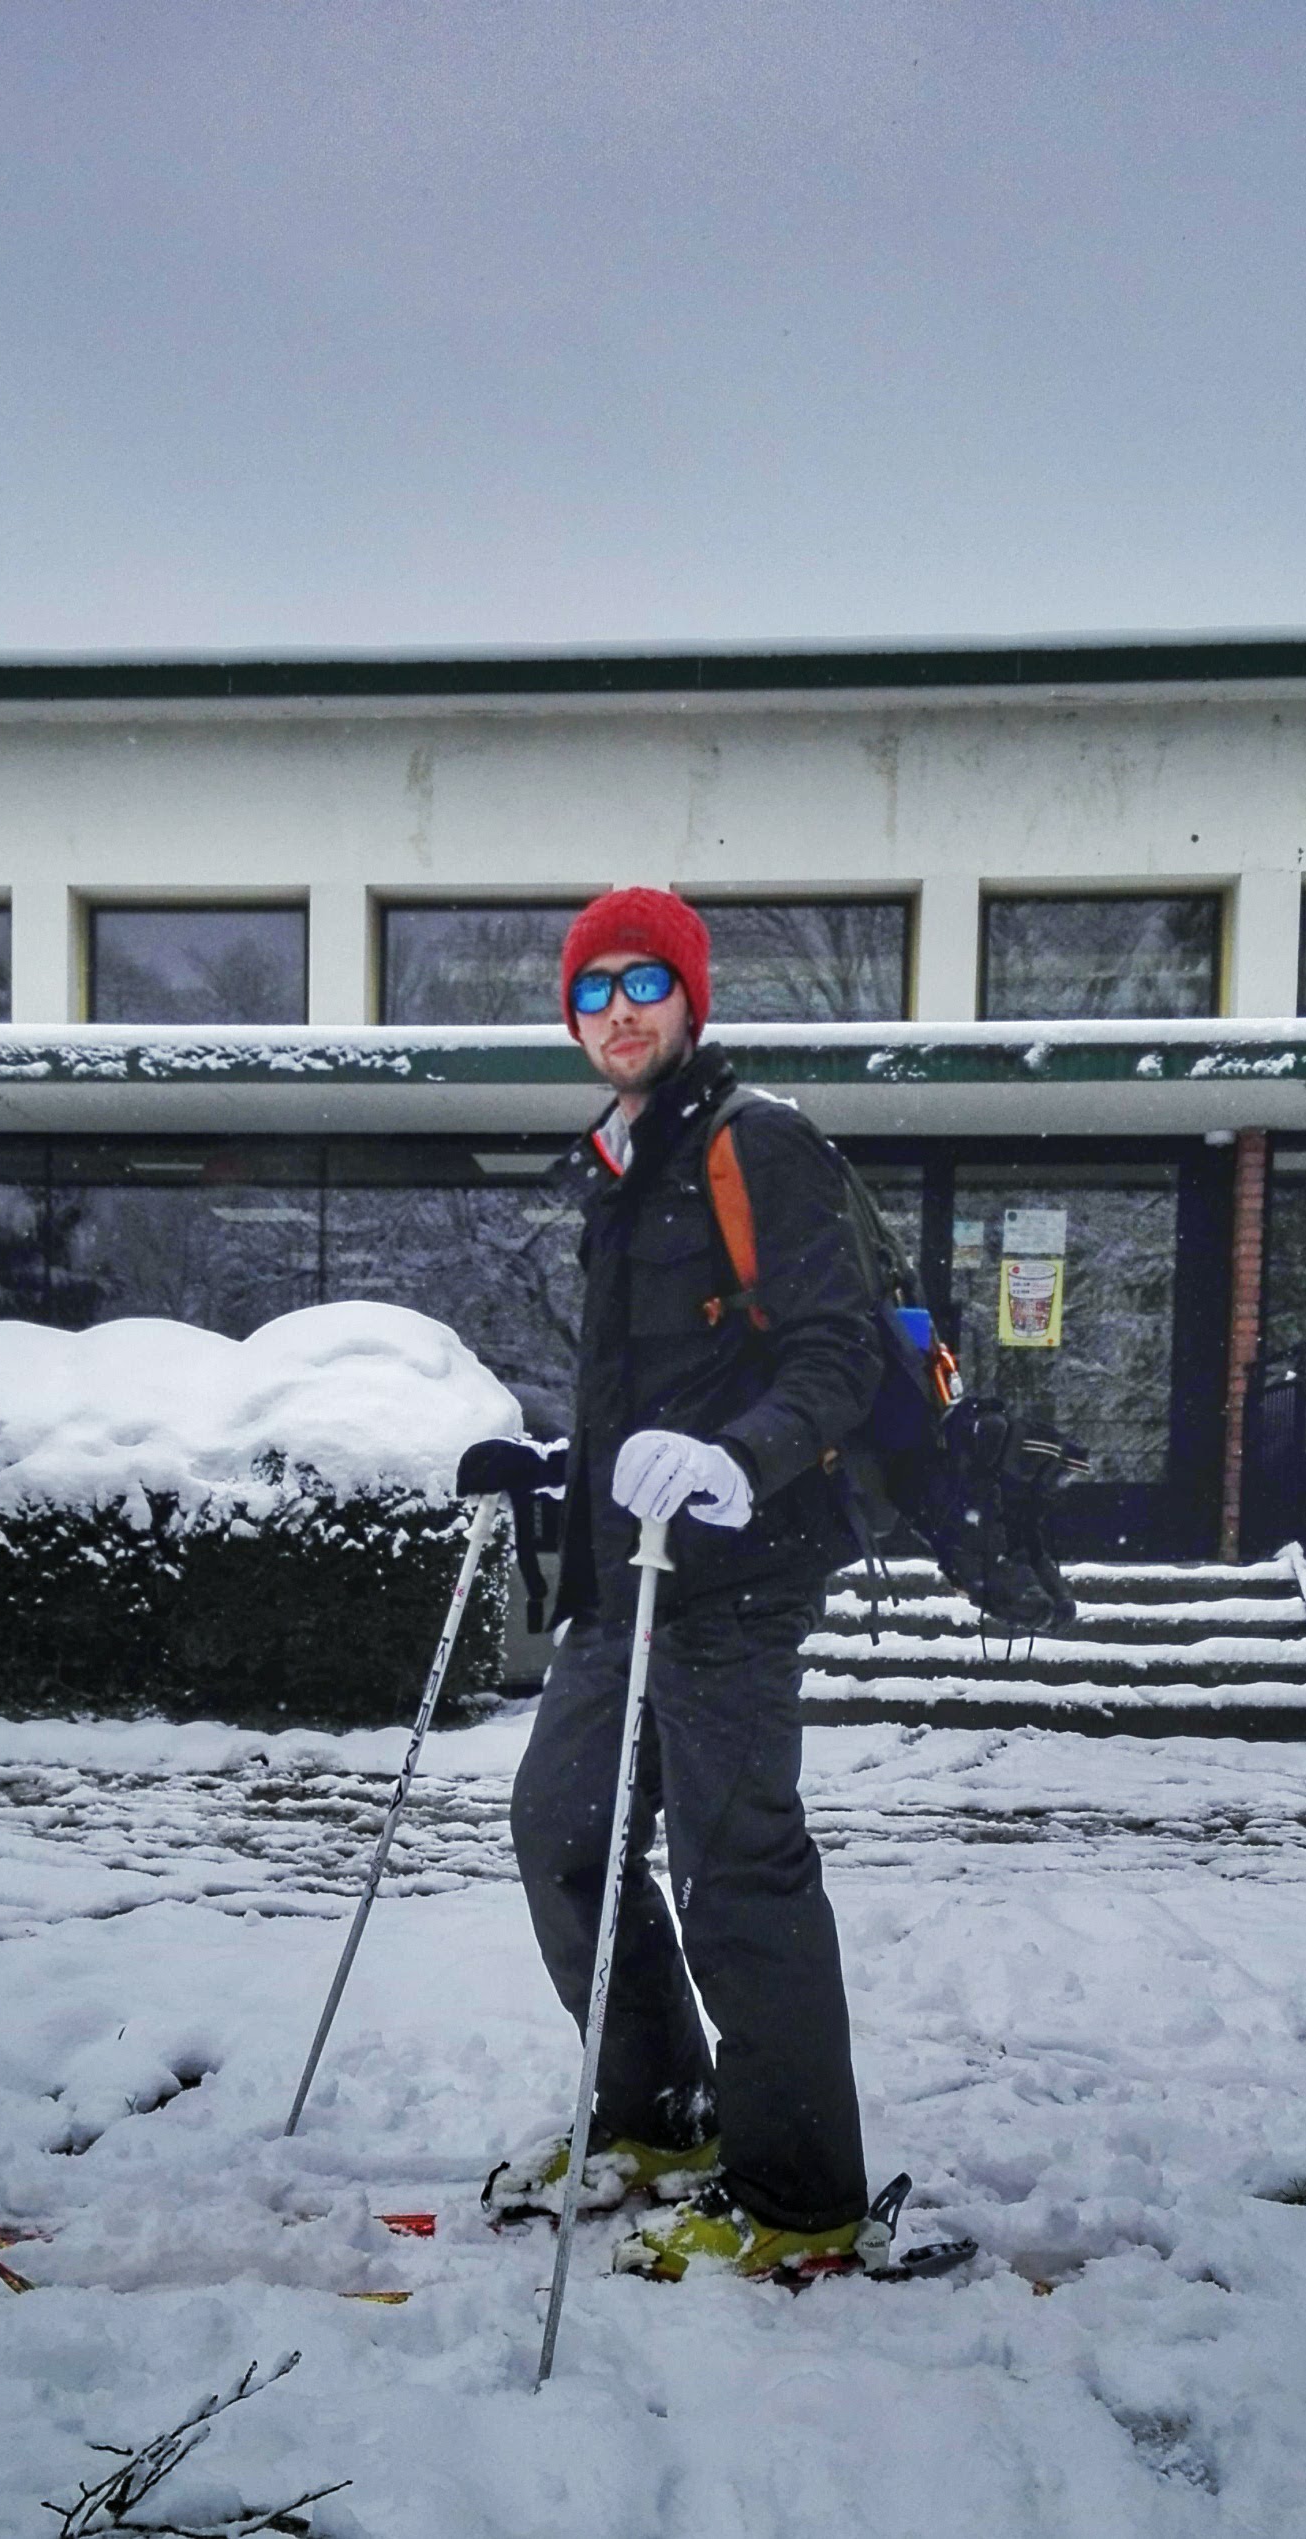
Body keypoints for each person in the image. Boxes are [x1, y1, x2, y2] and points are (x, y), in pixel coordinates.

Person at [456, 887, 885, 2280]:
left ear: (691, 997)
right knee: (562, 1831)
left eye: (645, 982)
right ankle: (660, 2112)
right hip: (618, 1577)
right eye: (593, 990)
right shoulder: (622, 1161)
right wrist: (555, 1465)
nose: (619, 1010)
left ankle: (803, 2201)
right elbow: (653, 1387)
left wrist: (737, 1459)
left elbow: (837, 1352)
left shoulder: (757, 1142)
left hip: (737, 1576)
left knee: (735, 1867)